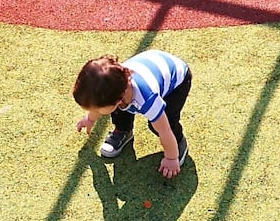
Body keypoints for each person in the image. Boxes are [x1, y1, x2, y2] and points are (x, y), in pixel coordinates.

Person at [73, 50, 192, 178]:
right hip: (150, 65)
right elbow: (98, 105)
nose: (94, 112)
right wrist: (89, 120)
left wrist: (171, 158)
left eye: (96, 110)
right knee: (119, 110)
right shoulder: (117, 85)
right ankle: (123, 131)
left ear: (118, 100)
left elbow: (165, 130)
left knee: (164, 121)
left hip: (177, 81)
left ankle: (178, 142)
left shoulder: (147, 98)